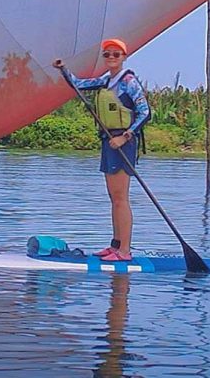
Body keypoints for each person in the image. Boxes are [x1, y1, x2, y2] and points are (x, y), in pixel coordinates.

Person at [53, 38, 150, 262]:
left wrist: (125, 137)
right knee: (113, 197)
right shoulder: (106, 80)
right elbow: (77, 84)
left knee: (121, 198)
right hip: (109, 141)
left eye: (116, 55)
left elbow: (145, 113)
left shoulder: (128, 81)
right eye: (107, 55)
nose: (111, 58)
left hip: (122, 142)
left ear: (124, 57)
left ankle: (124, 251)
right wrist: (63, 69)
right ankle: (115, 245)